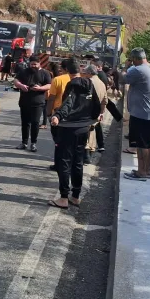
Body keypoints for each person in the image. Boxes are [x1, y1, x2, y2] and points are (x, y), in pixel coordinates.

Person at [48, 57, 100, 209]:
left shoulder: (72, 84)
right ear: (81, 70)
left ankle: (63, 198)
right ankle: (76, 196)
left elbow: (68, 103)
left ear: (66, 71)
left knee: (63, 162)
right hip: (84, 127)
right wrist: (94, 117)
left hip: (68, 128)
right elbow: (96, 103)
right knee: (78, 161)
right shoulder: (89, 83)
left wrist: (57, 116)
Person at [124, 48, 150, 181]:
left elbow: (124, 79)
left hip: (140, 113)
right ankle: (147, 170)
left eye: (132, 60)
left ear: (136, 59)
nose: (132, 62)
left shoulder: (138, 70)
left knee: (141, 144)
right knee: (148, 144)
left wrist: (125, 68)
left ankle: (141, 172)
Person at [13, 53, 52, 152]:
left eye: (35, 64)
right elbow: (16, 80)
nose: (33, 66)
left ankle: (33, 143)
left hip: (38, 103)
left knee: (35, 123)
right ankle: (24, 142)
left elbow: (49, 85)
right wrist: (21, 85)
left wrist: (40, 88)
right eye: (32, 64)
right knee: (25, 123)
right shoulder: (24, 71)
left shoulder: (45, 73)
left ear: (39, 64)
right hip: (24, 102)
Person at [46, 60, 72, 171]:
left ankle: (58, 164)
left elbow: (51, 98)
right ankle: (68, 163)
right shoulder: (80, 79)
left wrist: (48, 113)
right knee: (70, 142)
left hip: (58, 114)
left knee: (58, 141)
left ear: (64, 69)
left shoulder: (57, 79)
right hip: (72, 114)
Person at [82, 64, 108, 158]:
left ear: (89, 73)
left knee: (86, 131)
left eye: (85, 73)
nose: (84, 74)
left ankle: (86, 153)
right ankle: (90, 151)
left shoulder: (87, 82)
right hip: (97, 111)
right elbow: (105, 100)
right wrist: (101, 112)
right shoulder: (101, 83)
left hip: (88, 111)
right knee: (92, 131)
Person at [40, 62, 59, 129]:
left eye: (48, 65)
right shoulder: (57, 75)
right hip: (52, 92)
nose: (47, 66)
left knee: (45, 109)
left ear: (51, 67)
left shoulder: (49, 73)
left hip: (48, 92)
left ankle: (44, 123)